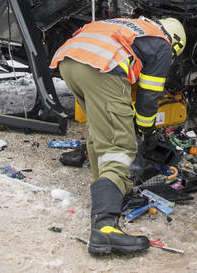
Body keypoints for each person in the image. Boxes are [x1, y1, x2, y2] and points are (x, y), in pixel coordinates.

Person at [49, 16, 186, 256]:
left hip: (69, 61)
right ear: (175, 43)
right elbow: (149, 96)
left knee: (100, 133)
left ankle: (106, 193)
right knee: (119, 148)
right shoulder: (162, 43)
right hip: (101, 68)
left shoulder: (133, 25)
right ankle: (105, 228)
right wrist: (146, 130)